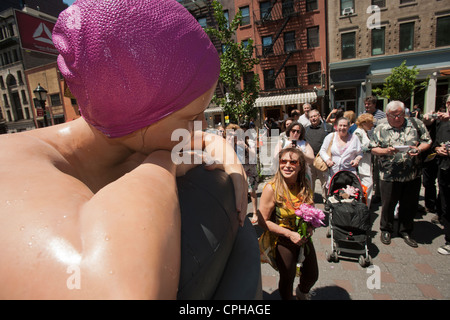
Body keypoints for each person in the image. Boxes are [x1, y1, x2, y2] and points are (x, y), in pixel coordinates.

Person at [0, 0, 249, 299]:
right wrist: (162, 163)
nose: (201, 128)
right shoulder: (15, 165)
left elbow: (205, 139)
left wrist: (229, 159)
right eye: (192, 117)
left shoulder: (129, 138)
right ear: (135, 111)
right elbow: (112, 289)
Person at [258, 148, 319, 300]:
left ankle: (302, 291)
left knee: (312, 275)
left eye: (293, 162)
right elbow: (262, 220)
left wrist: (311, 226)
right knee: (287, 278)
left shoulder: (305, 184)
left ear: (300, 166)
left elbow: (311, 210)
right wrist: (289, 234)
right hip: (283, 239)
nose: (287, 165)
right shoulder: (272, 188)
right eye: (283, 161)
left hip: (303, 237)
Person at [370, 101, 432, 248]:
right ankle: (386, 229)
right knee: (388, 205)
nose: (398, 118)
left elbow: (427, 141)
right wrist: (386, 151)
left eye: (400, 114)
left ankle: (406, 230)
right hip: (389, 175)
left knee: (409, 204)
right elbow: (372, 148)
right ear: (387, 115)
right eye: (394, 115)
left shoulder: (415, 124)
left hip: (412, 175)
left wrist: (419, 149)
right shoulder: (380, 128)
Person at [426, 96, 450, 254]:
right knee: (446, 201)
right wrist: (437, 149)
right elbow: (434, 142)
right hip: (445, 168)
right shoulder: (442, 122)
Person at [319, 117, 363, 188]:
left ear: (349, 127)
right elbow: (322, 151)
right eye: (340, 125)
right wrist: (327, 160)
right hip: (334, 174)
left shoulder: (354, 138)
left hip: (349, 175)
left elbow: (360, 153)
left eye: (345, 126)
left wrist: (356, 160)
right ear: (336, 126)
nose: (342, 128)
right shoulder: (331, 137)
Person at [305, 109, 332, 202]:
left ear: (319, 116)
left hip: (323, 160)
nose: (313, 118)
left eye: (314, 116)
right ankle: (310, 200)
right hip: (310, 161)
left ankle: (326, 200)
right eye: (311, 117)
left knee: (325, 182)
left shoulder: (328, 127)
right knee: (310, 182)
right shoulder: (306, 130)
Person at [364, 95, 386, 204]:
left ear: (374, 104)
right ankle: (368, 193)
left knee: (377, 171)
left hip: (377, 147)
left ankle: (378, 194)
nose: (367, 106)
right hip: (366, 148)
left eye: (369, 104)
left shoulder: (382, 115)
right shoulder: (363, 114)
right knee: (368, 172)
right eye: (366, 104)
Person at [354, 113, 375, 208]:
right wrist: (373, 148)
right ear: (364, 123)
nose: (372, 125)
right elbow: (357, 148)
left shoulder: (364, 132)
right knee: (367, 185)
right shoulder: (358, 132)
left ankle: (365, 207)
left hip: (366, 164)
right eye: (370, 123)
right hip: (362, 166)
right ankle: (364, 207)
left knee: (367, 185)